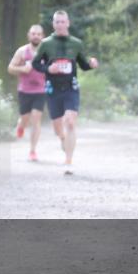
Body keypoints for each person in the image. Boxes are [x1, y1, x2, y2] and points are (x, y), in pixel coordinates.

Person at [32, 10, 98, 175]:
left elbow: (83, 64)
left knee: (70, 122)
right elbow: (35, 64)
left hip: (71, 88)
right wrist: (48, 69)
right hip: (53, 89)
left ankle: (68, 160)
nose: (60, 25)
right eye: (57, 22)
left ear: (68, 23)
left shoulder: (76, 43)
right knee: (58, 128)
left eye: (63, 22)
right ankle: (63, 138)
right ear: (53, 24)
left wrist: (91, 64)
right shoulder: (46, 43)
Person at [8, 24, 47, 161]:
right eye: (33, 34)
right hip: (24, 90)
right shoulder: (22, 51)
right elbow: (10, 68)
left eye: (38, 34)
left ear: (42, 36)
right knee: (25, 118)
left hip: (41, 90)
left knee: (36, 118)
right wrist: (22, 69)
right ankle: (21, 126)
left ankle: (32, 151)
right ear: (29, 35)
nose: (36, 36)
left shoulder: (47, 52)